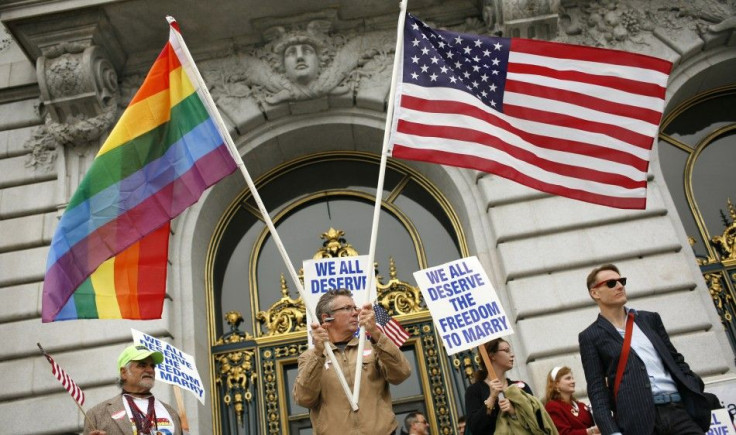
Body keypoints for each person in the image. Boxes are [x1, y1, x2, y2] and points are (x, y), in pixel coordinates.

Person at [578, 264, 711, 435]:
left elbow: (676, 361)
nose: (620, 286)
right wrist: (612, 432)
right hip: (638, 421)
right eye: (611, 283)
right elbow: (597, 390)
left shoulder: (650, 319)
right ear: (595, 293)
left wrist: (692, 386)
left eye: (622, 281)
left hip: (678, 412)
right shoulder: (590, 336)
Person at [293, 289, 411, 434]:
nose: (355, 312)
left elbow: (402, 373)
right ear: (326, 318)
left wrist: (375, 333)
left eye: (354, 308)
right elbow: (304, 399)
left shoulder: (373, 346)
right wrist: (318, 353)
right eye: (347, 308)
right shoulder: (310, 357)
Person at [465, 338, 557, 434]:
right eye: (506, 351)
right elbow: (475, 427)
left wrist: (514, 412)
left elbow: (538, 422)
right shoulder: (474, 390)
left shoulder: (521, 386)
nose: (512, 355)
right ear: (492, 356)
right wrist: (492, 398)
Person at [84, 344, 182, 435]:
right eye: (142, 365)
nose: (150, 370)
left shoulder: (172, 413)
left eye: (152, 366)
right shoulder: (97, 414)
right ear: (124, 373)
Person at [543, 366, 599, 435]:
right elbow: (564, 433)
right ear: (556, 384)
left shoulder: (581, 405)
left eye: (572, 378)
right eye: (568, 378)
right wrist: (591, 431)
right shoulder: (552, 406)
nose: (573, 381)